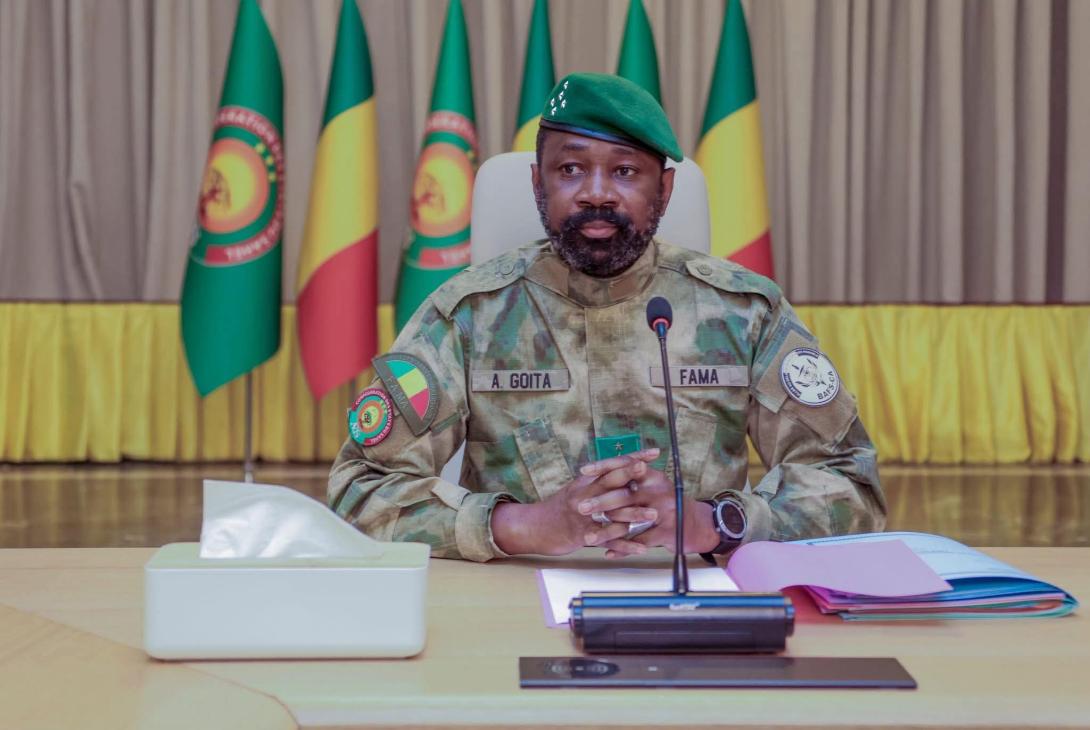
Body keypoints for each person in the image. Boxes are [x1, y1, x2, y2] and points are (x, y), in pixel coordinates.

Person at [329, 73, 886, 563]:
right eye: (571, 168)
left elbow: (851, 484)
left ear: (663, 189)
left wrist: (715, 523)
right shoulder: (469, 313)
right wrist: (522, 525)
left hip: (699, 597)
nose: (596, 194)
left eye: (624, 171)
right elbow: (359, 489)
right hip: (518, 598)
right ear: (538, 183)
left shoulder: (743, 311)